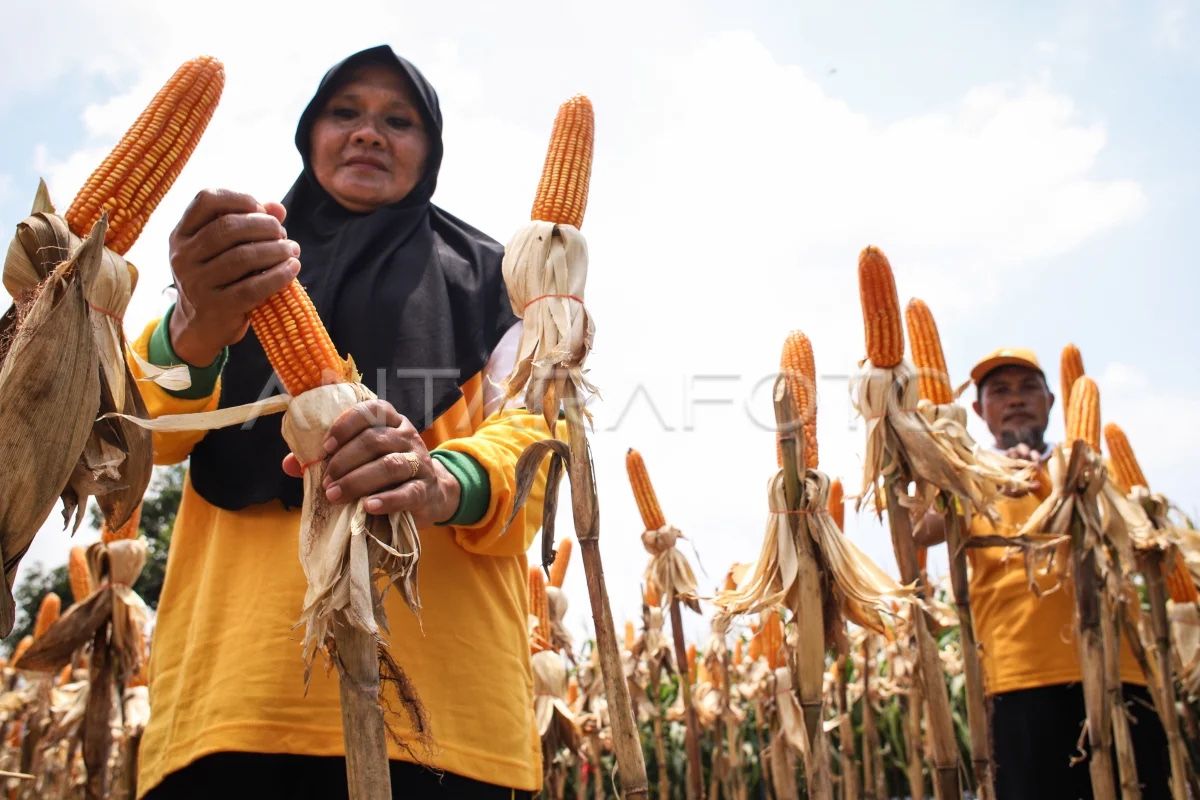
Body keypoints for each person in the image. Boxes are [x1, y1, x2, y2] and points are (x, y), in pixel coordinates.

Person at [131, 45, 552, 799]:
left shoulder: (501, 284)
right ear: (310, 133)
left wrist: (438, 477)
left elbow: (540, 447)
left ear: (431, 152)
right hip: (233, 700)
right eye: (345, 113)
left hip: (443, 721)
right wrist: (193, 325)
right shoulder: (236, 269)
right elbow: (138, 428)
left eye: (399, 120)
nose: (368, 133)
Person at [915, 347, 1169, 800]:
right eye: (1000, 391)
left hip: (1120, 675)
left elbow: (1143, 540)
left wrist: (1066, 480)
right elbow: (917, 533)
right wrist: (988, 478)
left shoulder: (1095, 469)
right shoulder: (968, 478)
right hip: (1018, 681)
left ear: (1052, 400)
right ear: (977, 410)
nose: (1016, 399)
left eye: (1029, 387)